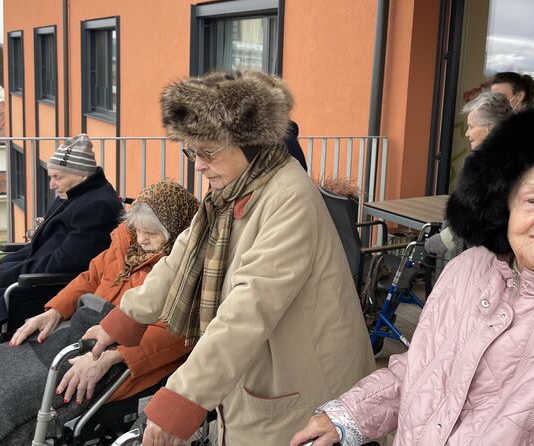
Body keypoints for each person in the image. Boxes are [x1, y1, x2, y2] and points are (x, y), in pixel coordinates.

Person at [291, 99, 534, 446]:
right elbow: (421, 372)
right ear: (506, 203)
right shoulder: (467, 271)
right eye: (533, 199)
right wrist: (350, 415)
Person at [85, 71, 375, 445]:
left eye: (208, 151)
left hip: (302, 383)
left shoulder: (290, 197)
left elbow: (248, 309)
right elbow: (182, 254)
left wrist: (180, 399)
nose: (198, 164)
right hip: (262, 369)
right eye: (191, 151)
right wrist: (123, 321)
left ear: (251, 144)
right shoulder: (230, 189)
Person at [0, 179, 199, 446]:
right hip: (83, 335)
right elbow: (91, 276)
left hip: (121, 359)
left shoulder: (182, 271)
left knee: (11, 397)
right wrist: (55, 311)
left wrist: (111, 357)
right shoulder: (125, 243)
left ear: (176, 233)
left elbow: (176, 334)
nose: (141, 240)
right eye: (138, 230)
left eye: (152, 235)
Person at [0, 134, 122, 333]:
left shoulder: (97, 208)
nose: (51, 185)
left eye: (57, 177)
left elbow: (60, 264)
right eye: (51, 177)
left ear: (82, 175)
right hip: (32, 274)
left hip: (45, 286)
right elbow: (37, 247)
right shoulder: (72, 193)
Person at [424, 91, 513, 257]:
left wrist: (445, 239)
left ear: (490, 128)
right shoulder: (519, 157)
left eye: (471, 127)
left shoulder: (483, 164)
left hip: (485, 254)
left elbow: (472, 212)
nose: (467, 133)